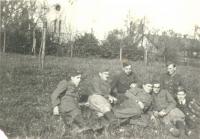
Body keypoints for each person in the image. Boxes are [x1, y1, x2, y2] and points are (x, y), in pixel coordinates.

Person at [51, 69, 88, 138]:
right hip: (67, 107)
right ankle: (84, 130)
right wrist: (55, 106)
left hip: (72, 108)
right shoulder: (65, 83)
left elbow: (73, 99)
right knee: (81, 124)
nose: (79, 80)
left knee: (75, 126)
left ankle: (76, 132)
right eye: (77, 78)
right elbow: (54, 94)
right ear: (72, 77)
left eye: (80, 78)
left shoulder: (74, 86)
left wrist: (82, 104)